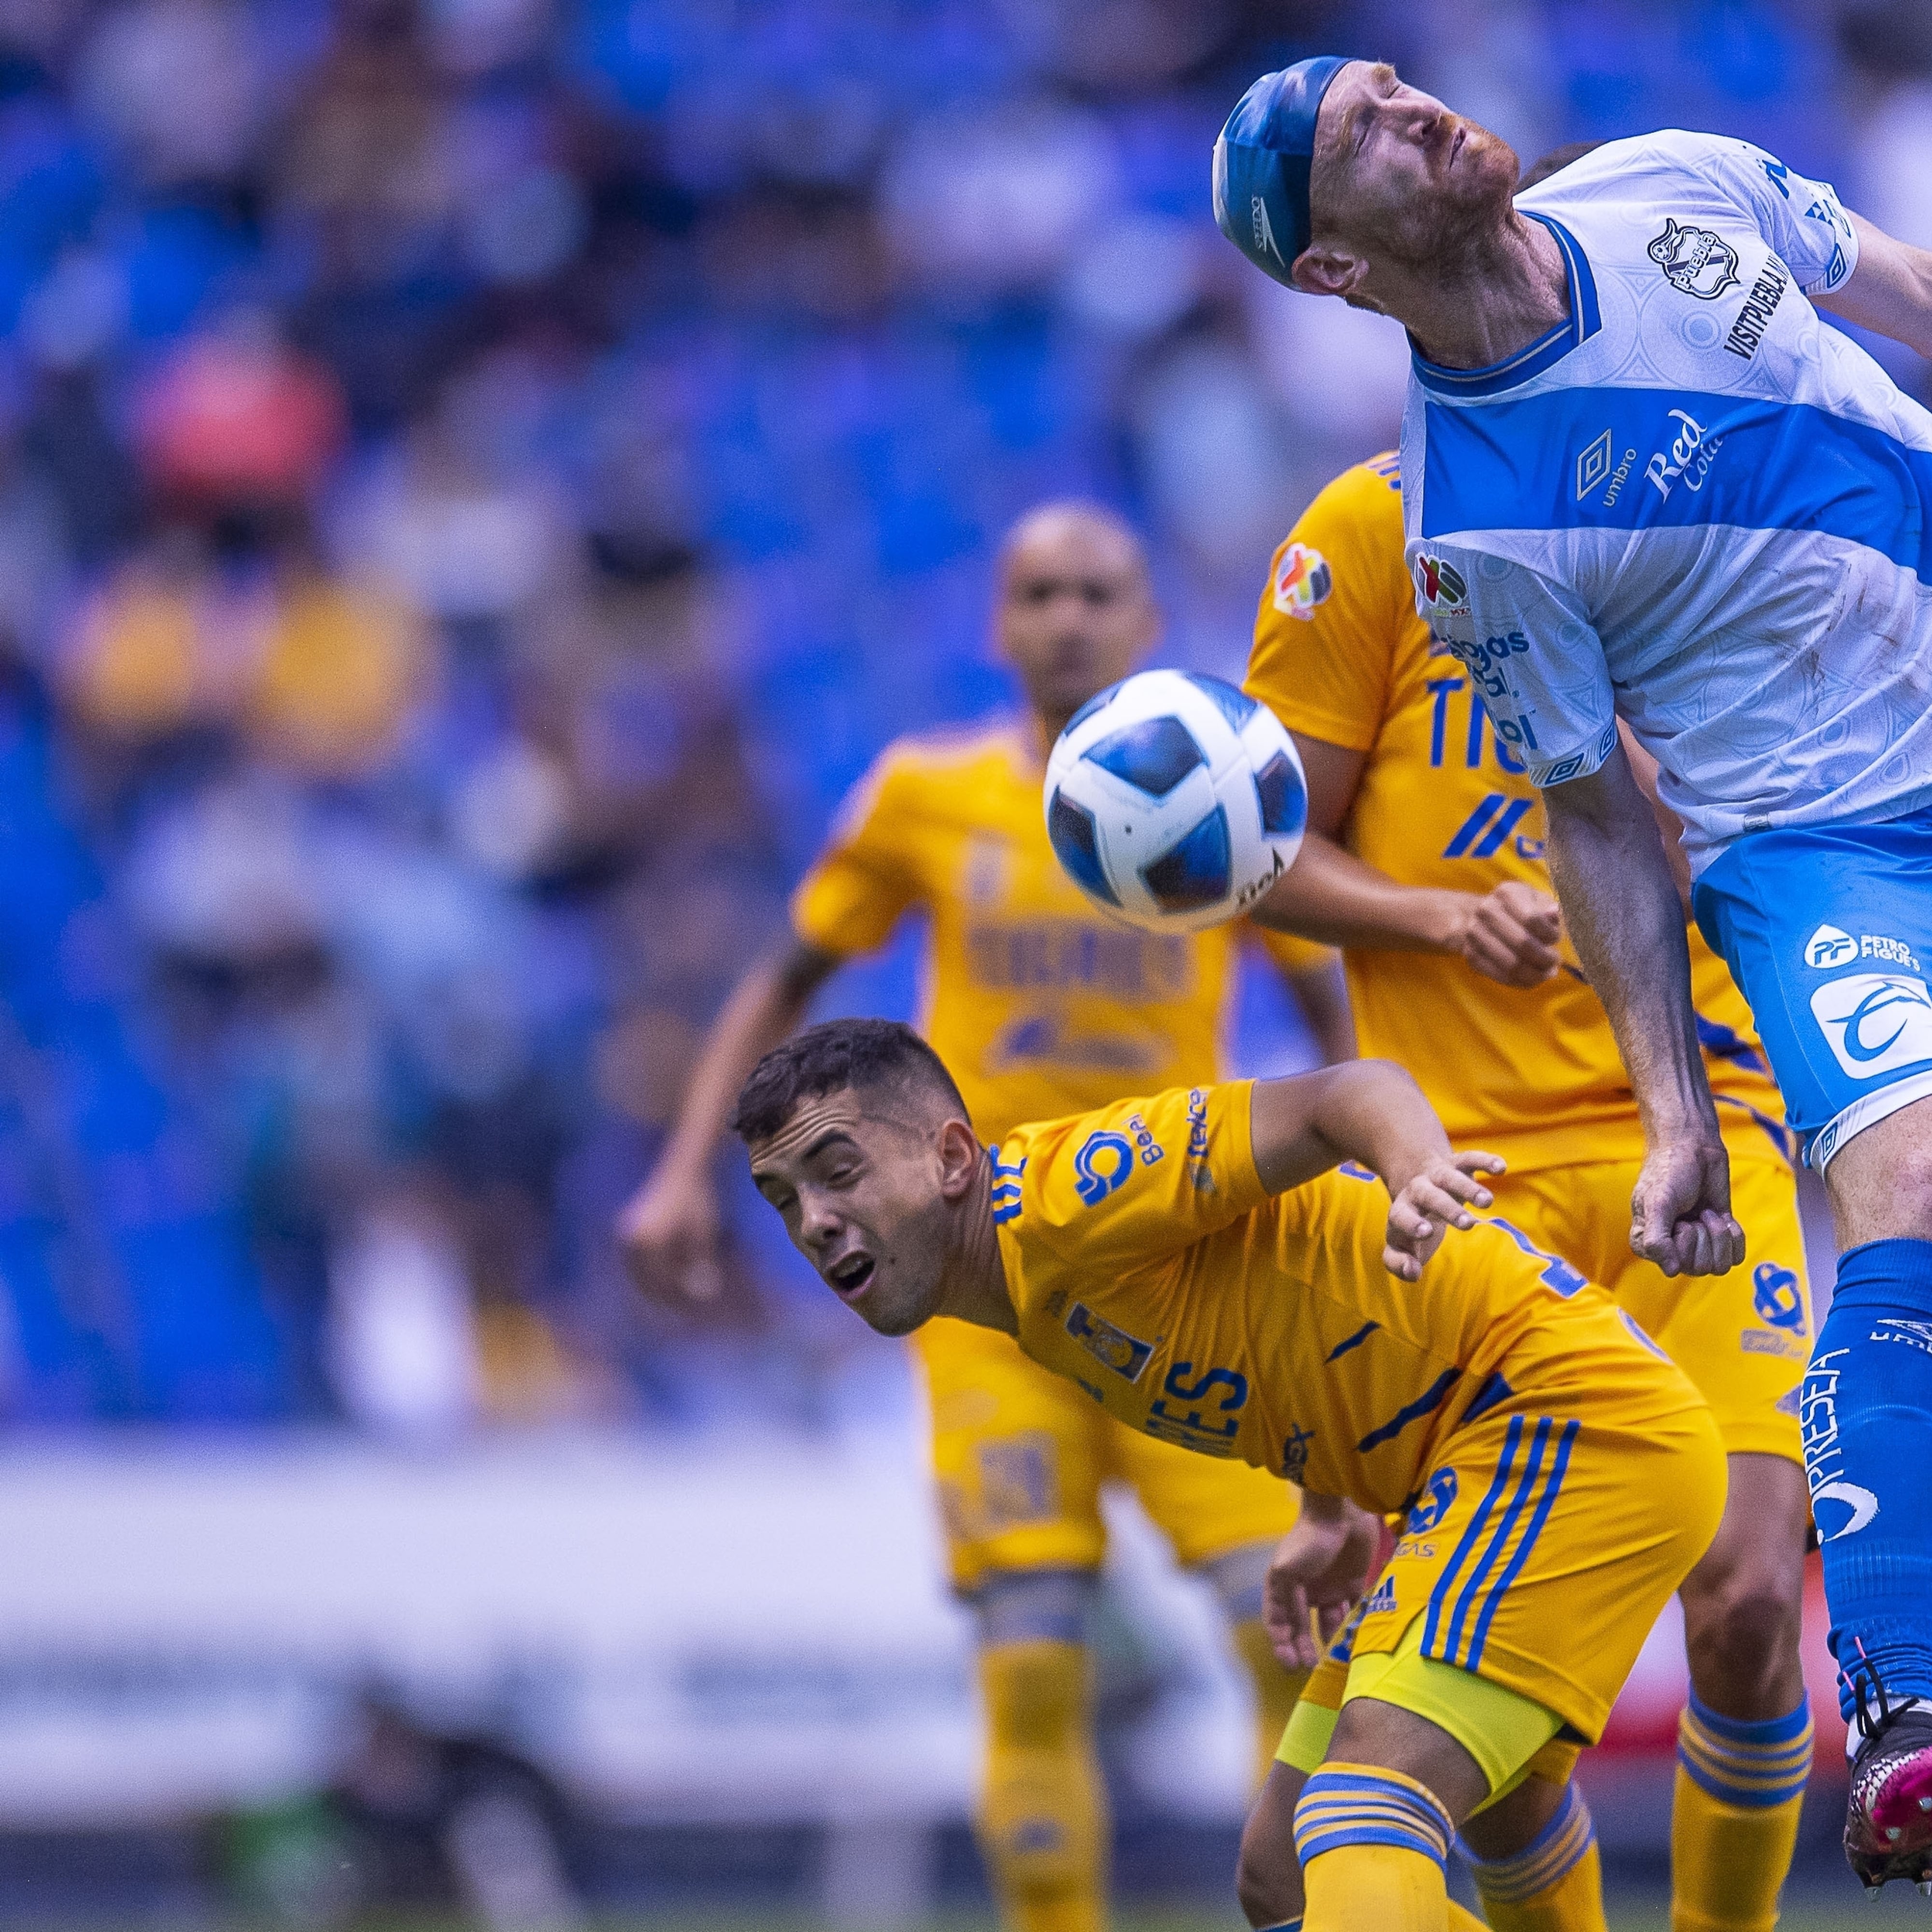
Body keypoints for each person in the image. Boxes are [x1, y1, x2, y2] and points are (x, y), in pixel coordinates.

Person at [1211, 57, 1932, 1893]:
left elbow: (1910, 293)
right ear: (1337, 276)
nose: (1420, 113)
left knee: (1750, 1583)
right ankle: (1912, 1708)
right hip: (1792, 873)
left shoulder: (1680, 180)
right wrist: (1665, 1095)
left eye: (1400, 87)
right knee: (1909, 1194)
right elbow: (1585, 814)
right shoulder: (1452, 538)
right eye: (1366, 135)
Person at [618, 502, 1351, 1932]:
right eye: (1039, 593)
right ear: (1000, 624)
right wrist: (676, 1169)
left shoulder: (1224, 793)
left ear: (1147, 618)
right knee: (1030, 1657)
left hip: (1178, 1270)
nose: (1069, 616)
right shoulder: (923, 797)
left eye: (1098, 591)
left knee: (1289, 1635)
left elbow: (1340, 1015)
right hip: (983, 1291)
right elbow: (782, 983)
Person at [733, 1015, 1728, 1932]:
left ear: (952, 1155)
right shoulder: (1023, 1294)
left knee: (1359, 1812)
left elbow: (1352, 1091)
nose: (815, 1219)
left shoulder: (1072, 1188)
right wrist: (1327, 1505)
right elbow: (1285, 1290)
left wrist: (1418, 1175)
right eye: (784, 1198)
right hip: (1467, 1465)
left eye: (839, 1169)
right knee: (1284, 1873)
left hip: (1561, 1422)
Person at [1234, 431, 1812, 1932]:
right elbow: (1258, 850)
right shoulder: (1366, 531)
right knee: (1488, 1738)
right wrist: (1434, 918)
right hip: (1463, 1170)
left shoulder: (1706, 511)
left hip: (1703, 1123)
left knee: (1751, 1595)